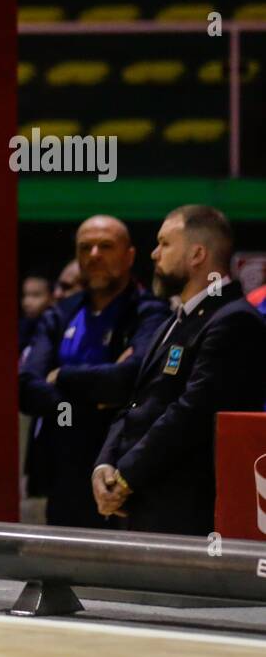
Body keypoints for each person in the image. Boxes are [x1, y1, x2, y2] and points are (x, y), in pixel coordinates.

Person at [93, 206, 266, 534]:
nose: (155, 254)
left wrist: (126, 475)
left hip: (189, 515)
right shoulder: (174, 321)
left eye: (165, 243)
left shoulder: (234, 320)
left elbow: (192, 413)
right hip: (145, 502)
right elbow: (137, 401)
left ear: (197, 253)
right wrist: (105, 463)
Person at [19, 216, 168, 528]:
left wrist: (61, 377)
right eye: (85, 248)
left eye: (106, 246)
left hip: (121, 473)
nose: (95, 255)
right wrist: (92, 400)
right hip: (63, 475)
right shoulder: (60, 314)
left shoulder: (150, 312)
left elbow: (129, 379)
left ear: (129, 255)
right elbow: (26, 387)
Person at [18, 273, 53, 353]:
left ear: (52, 297)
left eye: (35, 295)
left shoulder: (55, 332)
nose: (26, 302)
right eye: (24, 295)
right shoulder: (22, 327)